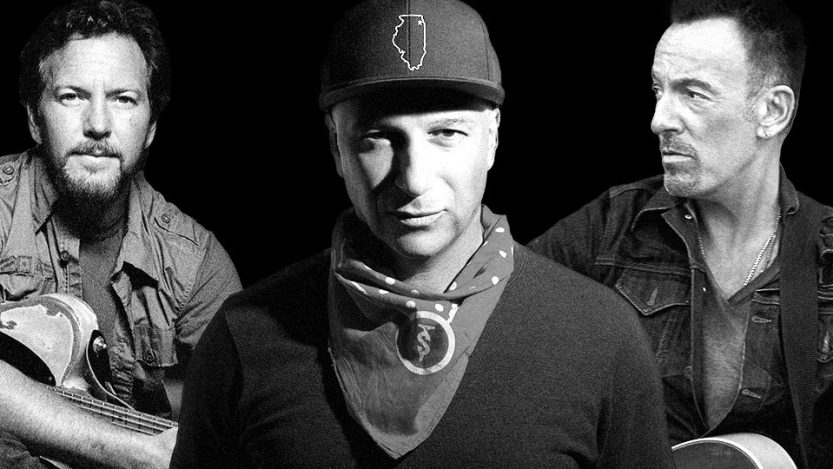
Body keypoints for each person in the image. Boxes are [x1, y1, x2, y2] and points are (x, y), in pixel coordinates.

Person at [170, 0, 673, 467]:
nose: (413, 179)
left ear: (493, 136)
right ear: (336, 147)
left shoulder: (602, 337)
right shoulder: (244, 339)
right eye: (378, 137)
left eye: (446, 133)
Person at [529, 0, 833, 467]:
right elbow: (494, 322)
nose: (659, 120)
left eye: (693, 93)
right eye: (658, 90)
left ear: (772, 111)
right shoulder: (611, 226)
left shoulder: (826, 253)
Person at [0, 1, 242, 468]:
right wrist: (132, 452)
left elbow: (238, 416)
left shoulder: (195, 266)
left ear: (150, 127)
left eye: (123, 99)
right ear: (34, 119)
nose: (97, 124)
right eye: (71, 96)